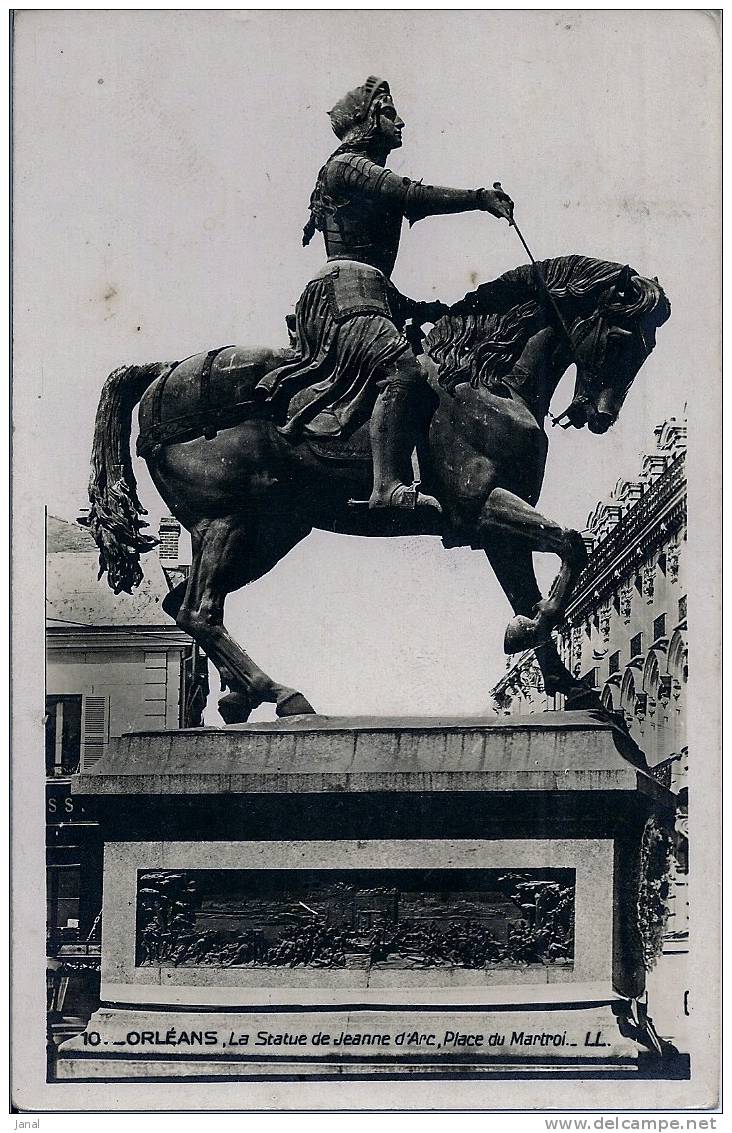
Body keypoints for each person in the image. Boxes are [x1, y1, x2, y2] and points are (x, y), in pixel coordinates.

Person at [256, 77, 513, 514]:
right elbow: (411, 195)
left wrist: (425, 309)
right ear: (369, 120)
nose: (401, 122)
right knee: (403, 370)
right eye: (391, 113)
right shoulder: (348, 165)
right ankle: (386, 486)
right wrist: (478, 198)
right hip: (343, 295)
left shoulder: (351, 169)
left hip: (365, 291)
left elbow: (372, 267)